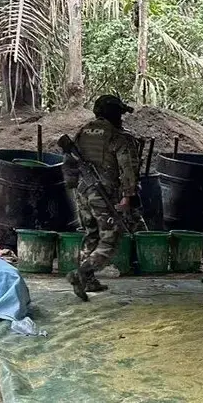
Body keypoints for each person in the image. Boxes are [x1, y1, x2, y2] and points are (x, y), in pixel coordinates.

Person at [63, 94, 141, 301]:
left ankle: (88, 281)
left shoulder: (83, 132)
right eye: (120, 113)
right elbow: (127, 169)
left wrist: (74, 185)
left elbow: (69, 162)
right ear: (114, 113)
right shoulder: (117, 136)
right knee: (110, 238)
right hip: (103, 194)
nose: (122, 119)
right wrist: (128, 196)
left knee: (91, 234)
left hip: (83, 191)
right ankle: (82, 273)